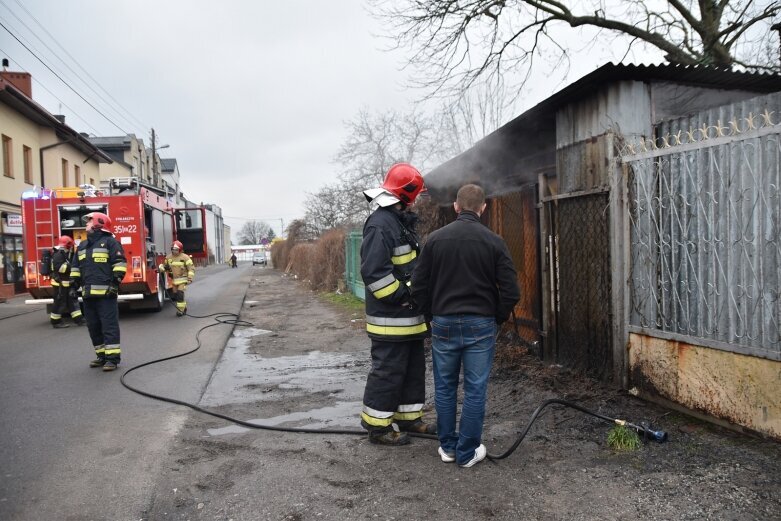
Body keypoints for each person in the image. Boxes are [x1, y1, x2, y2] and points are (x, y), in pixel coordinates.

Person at [411, 184, 520, 468]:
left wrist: (430, 316)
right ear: (483, 208)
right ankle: (468, 451)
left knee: (445, 387)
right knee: (475, 388)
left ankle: (448, 447)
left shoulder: (435, 240)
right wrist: (495, 317)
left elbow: (418, 285)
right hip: (480, 324)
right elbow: (511, 291)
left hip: (444, 321)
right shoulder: (494, 241)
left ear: (456, 207)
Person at [359, 163, 434, 446]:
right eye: (416, 195)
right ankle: (378, 428)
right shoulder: (381, 224)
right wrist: (403, 296)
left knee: (413, 370)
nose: (417, 201)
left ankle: (408, 419)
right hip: (391, 319)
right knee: (388, 372)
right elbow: (374, 273)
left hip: (409, 318)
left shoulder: (398, 221)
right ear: (408, 195)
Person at [70, 212, 127, 372]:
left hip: (106, 295)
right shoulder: (82, 246)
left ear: (98, 224)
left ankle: (112, 359)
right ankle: (101, 356)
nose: (86, 225)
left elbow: (120, 263)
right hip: (88, 295)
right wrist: (73, 285)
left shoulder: (111, 243)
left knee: (109, 326)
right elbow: (75, 267)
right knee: (93, 327)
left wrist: (115, 284)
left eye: (88, 222)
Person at [49, 235, 85, 328]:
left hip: (66, 283)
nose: (71, 247)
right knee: (60, 303)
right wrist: (73, 266)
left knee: (72, 301)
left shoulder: (64, 253)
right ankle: (56, 322)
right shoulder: (58, 254)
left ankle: (79, 320)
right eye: (70, 245)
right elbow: (60, 268)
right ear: (67, 245)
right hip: (59, 284)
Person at [159, 240, 194, 317]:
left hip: (183, 279)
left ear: (180, 250)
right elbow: (166, 267)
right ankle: (184, 307)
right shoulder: (168, 257)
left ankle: (180, 311)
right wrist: (161, 268)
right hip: (174, 280)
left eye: (176, 250)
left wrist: (190, 278)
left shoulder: (185, 257)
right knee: (175, 295)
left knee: (180, 294)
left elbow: (191, 268)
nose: (174, 251)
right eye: (173, 249)